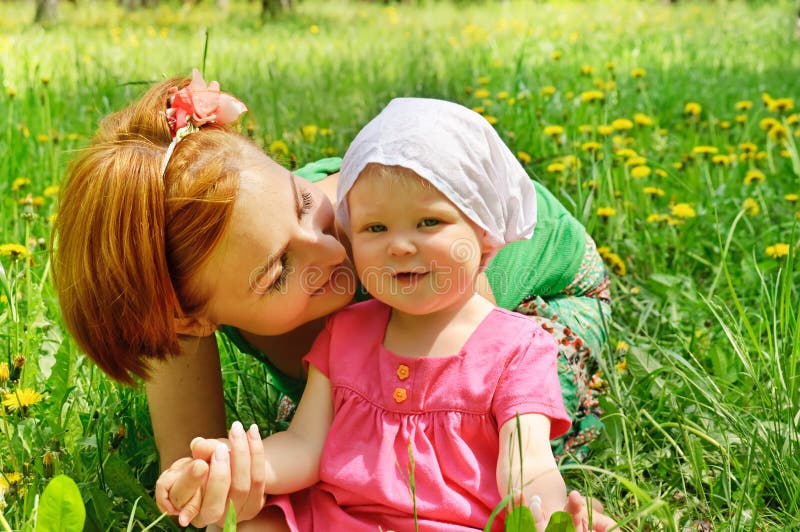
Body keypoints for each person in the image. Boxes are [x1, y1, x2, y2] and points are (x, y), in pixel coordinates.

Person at [51, 71, 611, 528]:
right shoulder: (189, 278)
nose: (329, 249)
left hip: (540, 298)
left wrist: (544, 507)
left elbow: (487, 415)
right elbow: (197, 473)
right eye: (277, 274)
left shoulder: (403, 251)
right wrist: (222, 482)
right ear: (190, 321)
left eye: (299, 202)